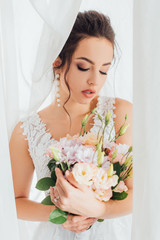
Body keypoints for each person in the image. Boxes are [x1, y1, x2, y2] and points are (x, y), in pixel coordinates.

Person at [9, 10, 132, 240]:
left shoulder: (119, 115)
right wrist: (62, 216)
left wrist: (99, 209)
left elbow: (142, 193)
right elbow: (13, 202)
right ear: (57, 61)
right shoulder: (26, 131)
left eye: (104, 69)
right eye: (84, 67)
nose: (95, 80)